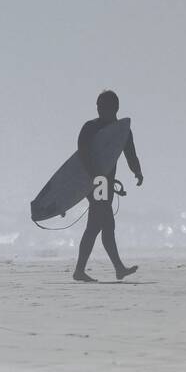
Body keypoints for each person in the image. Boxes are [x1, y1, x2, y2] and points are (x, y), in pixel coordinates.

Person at [73, 90, 142, 282]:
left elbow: (130, 153)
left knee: (96, 226)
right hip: (95, 183)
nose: (100, 110)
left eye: (103, 107)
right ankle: (117, 268)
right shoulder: (90, 128)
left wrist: (137, 171)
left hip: (107, 182)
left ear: (115, 108)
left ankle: (81, 270)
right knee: (106, 225)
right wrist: (93, 178)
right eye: (98, 106)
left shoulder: (122, 131)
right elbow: (82, 154)